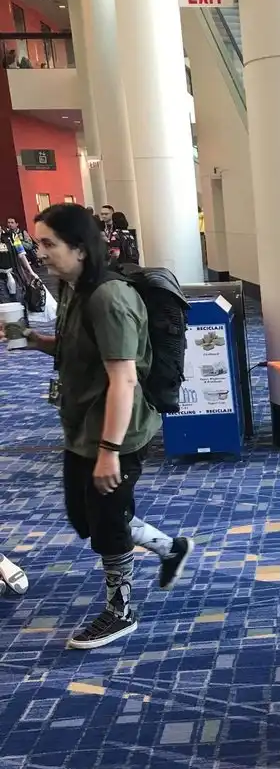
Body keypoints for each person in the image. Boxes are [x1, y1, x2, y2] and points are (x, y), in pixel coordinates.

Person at [23, 203, 193, 648]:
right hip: (84, 426)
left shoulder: (108, 298)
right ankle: (170, 548)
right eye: (38, 242)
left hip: (117, 430)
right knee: (87, 516)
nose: (39, 252)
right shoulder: (75, 288)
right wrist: (37, 341)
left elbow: (124, 379)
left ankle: (121, 611)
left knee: (106, 522)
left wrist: (109, 452)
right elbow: (81, 350)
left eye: (48, 243)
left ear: (79, 248)